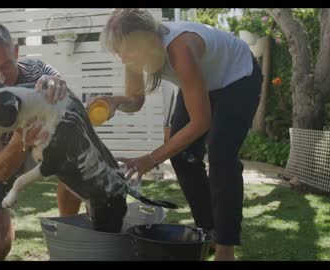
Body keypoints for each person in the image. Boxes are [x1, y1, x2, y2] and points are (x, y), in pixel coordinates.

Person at [87, 9, 263, 261]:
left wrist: (153, 157)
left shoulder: (180, 48)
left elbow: (201, 122)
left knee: (221, 156)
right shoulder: (134, 56)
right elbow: (135, 101)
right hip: (202, 82)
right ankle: (209, 231)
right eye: (119, 52)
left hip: (238, 77)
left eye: (128, 49)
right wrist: (115, 102)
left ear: (148, 37)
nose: (124, 58)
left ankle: (225, 247)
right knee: (183, 157)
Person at [0, 23, 82, 260]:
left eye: (6, 65)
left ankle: (68, 233)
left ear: (16, 52)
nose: (1, 77)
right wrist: (19, 136)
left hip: (37, 149)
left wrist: (60, 89)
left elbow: (72, 114)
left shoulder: (40, 72)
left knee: (72, 157)